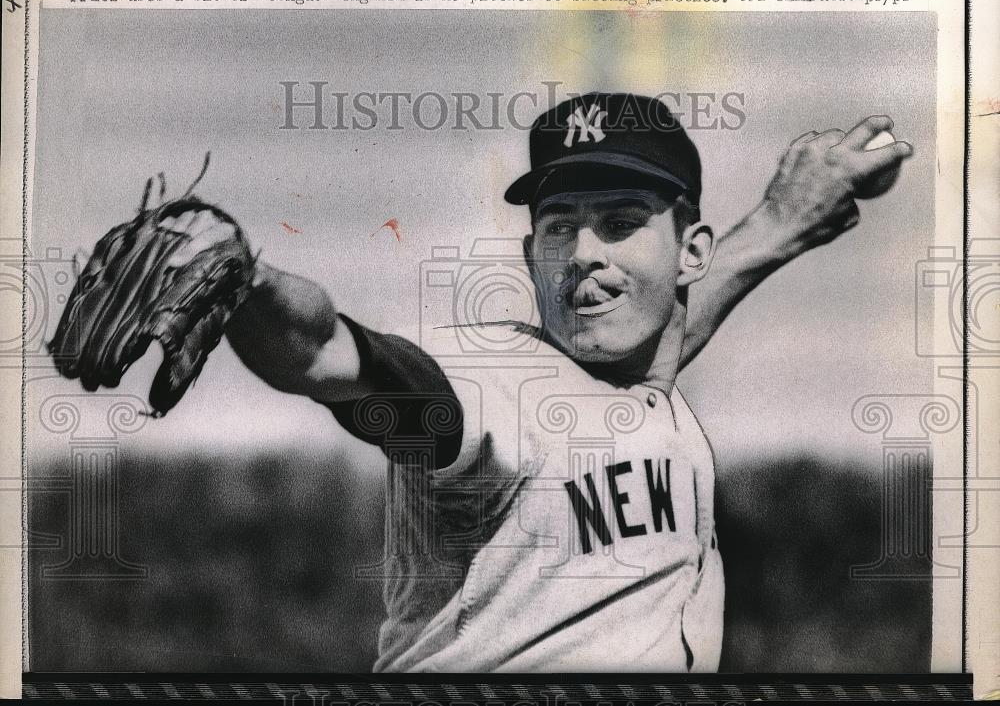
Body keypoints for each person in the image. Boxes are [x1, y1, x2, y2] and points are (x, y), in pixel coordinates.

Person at [224, 92, 912, 672]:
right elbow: (333, 359)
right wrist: (248, 285)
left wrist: (785, 220)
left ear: (691, 250)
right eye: (560, 228)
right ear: (531, 256)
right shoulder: (500, 383)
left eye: (619, 223)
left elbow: (672, 322)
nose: (584, 254)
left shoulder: (636, 381)